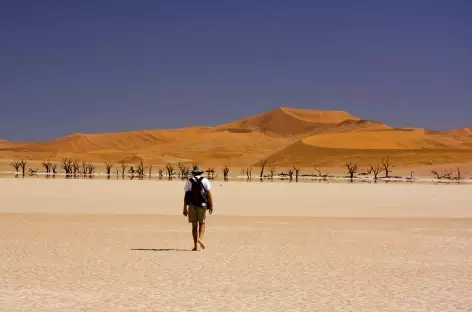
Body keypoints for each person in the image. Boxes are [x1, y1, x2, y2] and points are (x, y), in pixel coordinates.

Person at [183, 165, 214, 251]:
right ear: (201, 172)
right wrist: (211, 206)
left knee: (194, 226)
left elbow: (186, 195)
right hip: (202, 205)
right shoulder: (205, 180)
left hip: (192, 205)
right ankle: (201, 238)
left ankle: (195, 246)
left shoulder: (189, 181)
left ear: (193, 173)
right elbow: (209, 194)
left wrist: (185, 207)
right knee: (202, 223)